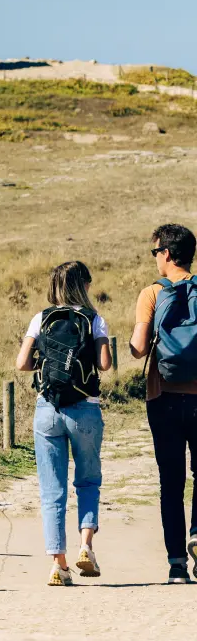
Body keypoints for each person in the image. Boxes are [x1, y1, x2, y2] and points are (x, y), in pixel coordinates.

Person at [16, 261, 112, 586]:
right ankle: (86, 546)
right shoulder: (94, 319)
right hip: (85, 409)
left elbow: (22, 363)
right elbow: (105, 364)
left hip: (47, 409)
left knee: (51, 490)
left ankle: (59, 563)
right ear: (83, 285)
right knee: (88, 481)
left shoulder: (41, 319)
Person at [129, 223, 197, 584]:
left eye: (156, 252)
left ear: (167, 254)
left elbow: (139, 347)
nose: (156, 258)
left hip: (163, 397)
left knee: (171, 481)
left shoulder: (151, 293)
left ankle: (176, 565)